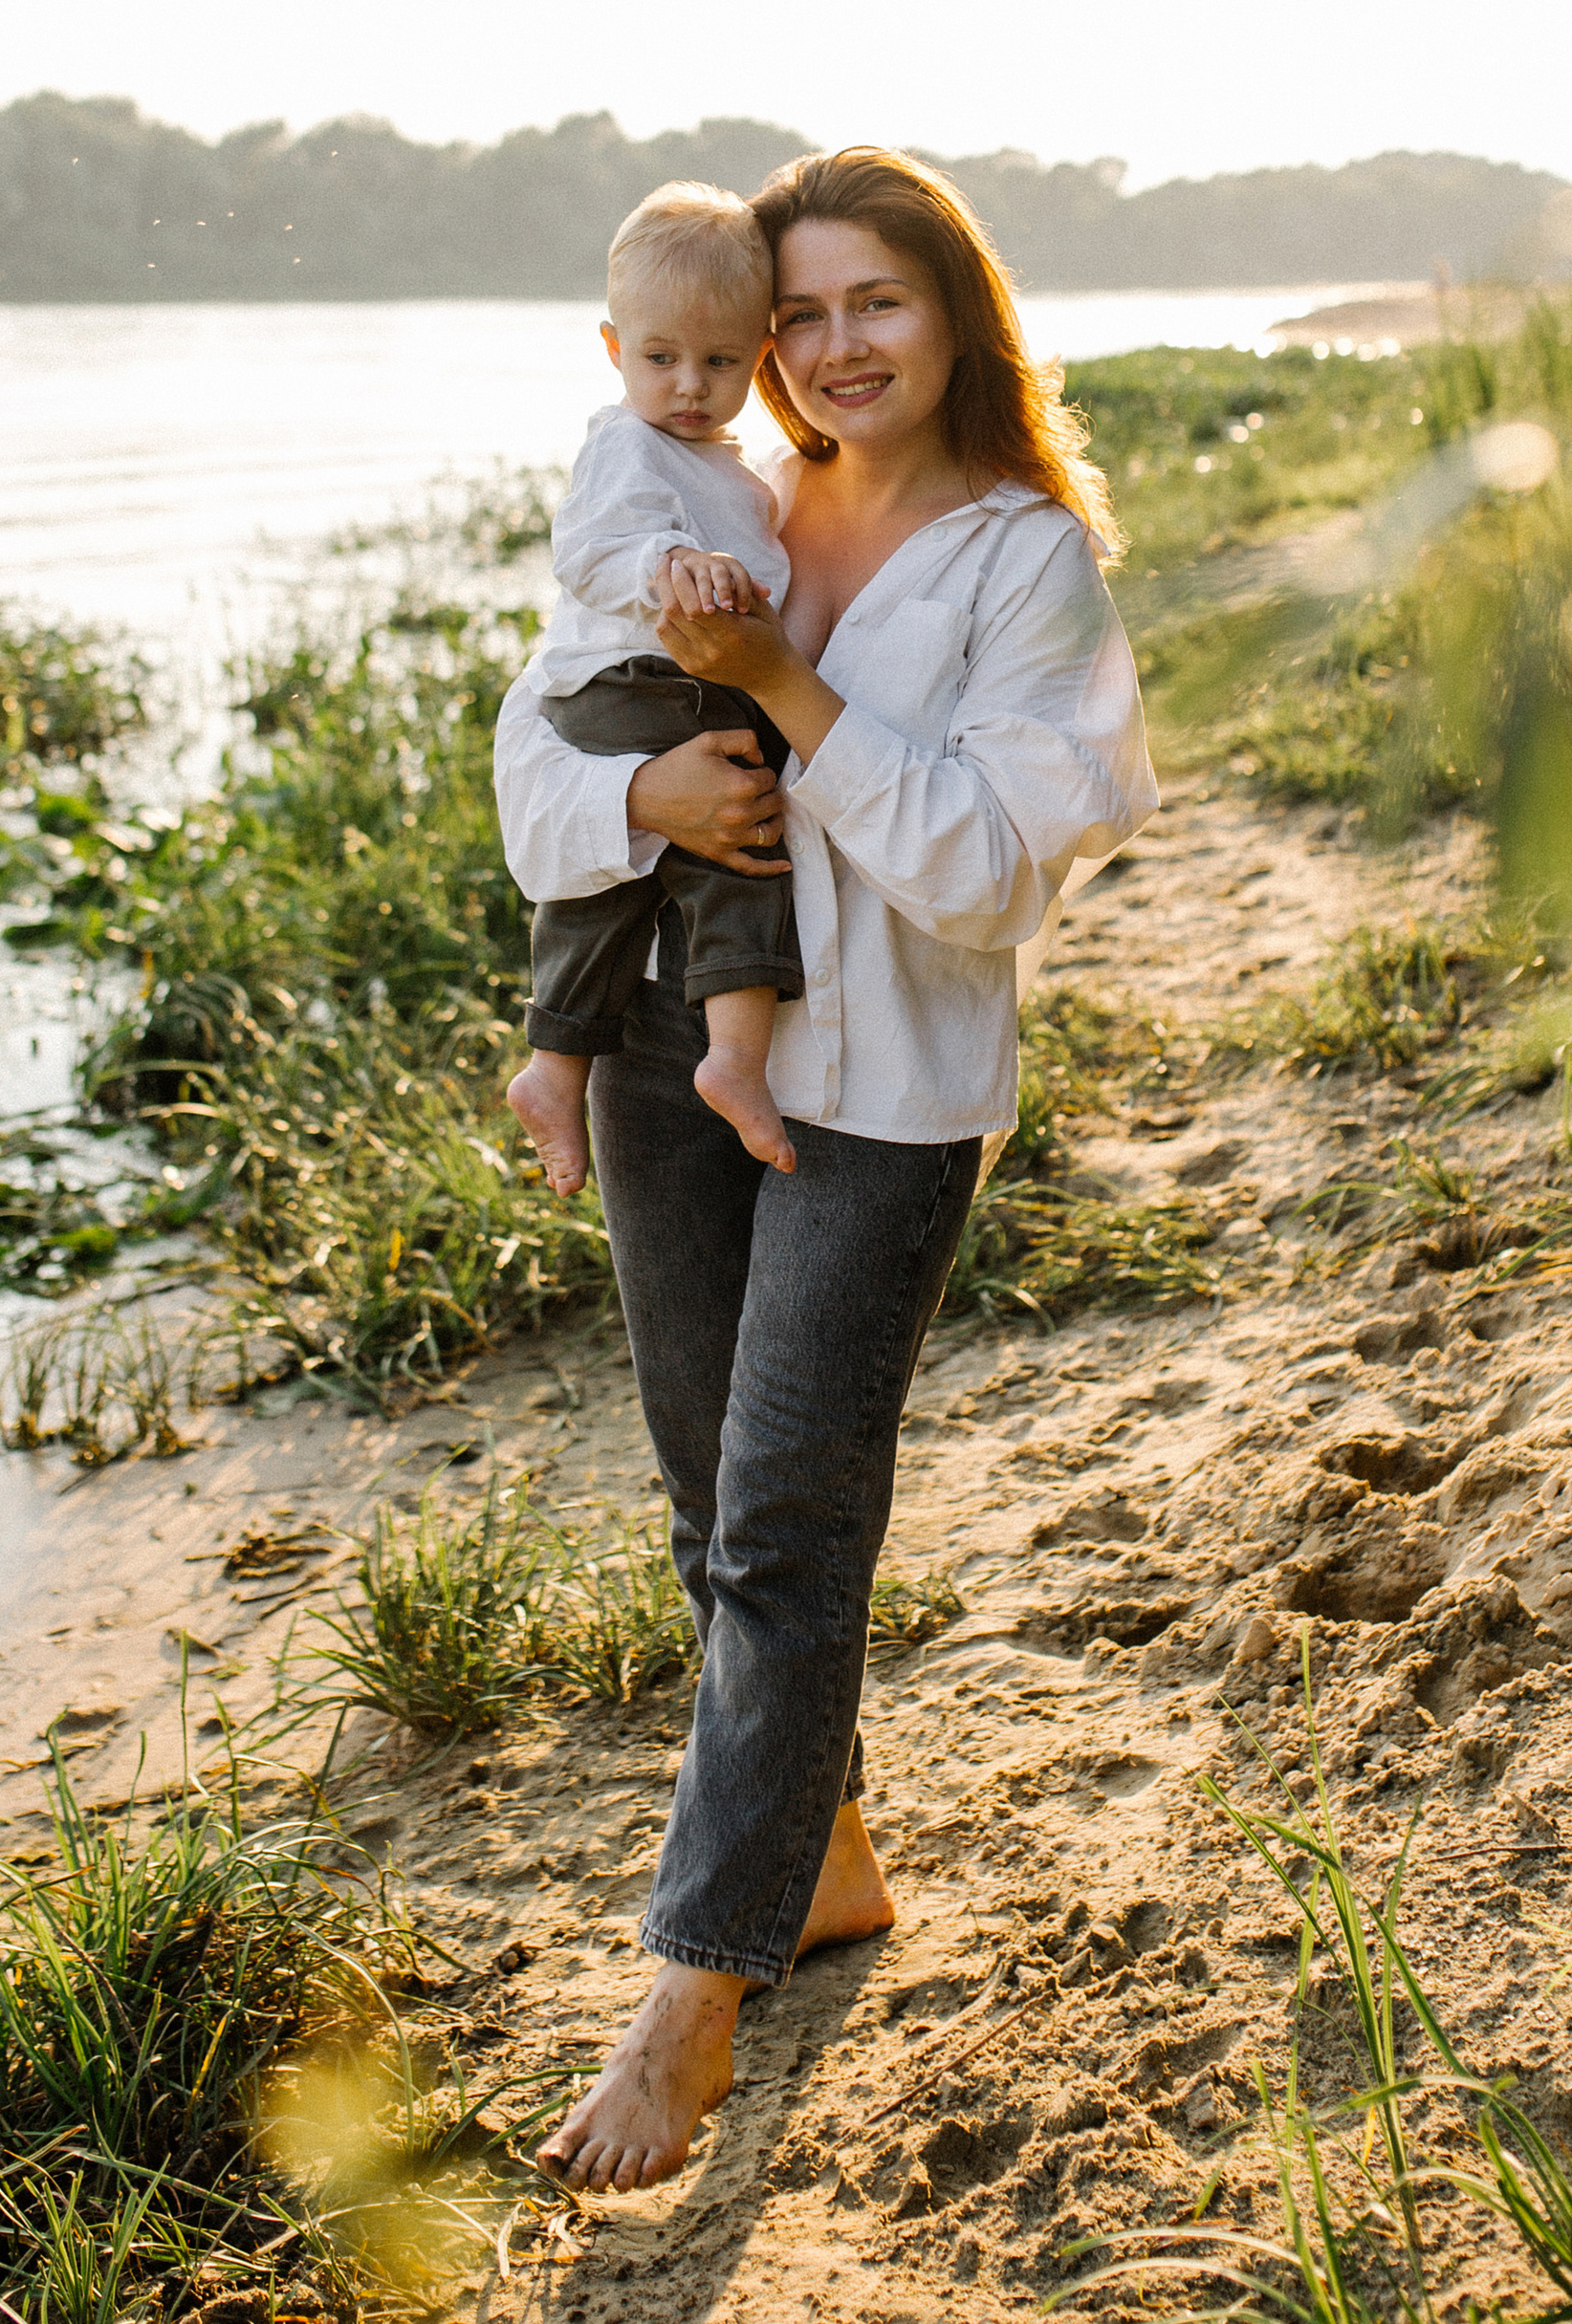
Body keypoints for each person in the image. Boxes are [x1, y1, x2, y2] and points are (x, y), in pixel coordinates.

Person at [492, 143, 1156, 2195]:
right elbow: (536, 775)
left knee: (783, 1524)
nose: (830, 344)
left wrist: (784, 695)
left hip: (885, 1102)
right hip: (663, 1072)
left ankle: (690, 1995)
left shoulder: (1020, 561)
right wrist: (645, 793)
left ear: (956, 313)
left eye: (875, 301)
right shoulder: (731, 508)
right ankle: (830, 1862)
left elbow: (979, 877)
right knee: (714, 1518)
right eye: (800, 312)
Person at [506, 185, 803, 1193]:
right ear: (612, 348)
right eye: (660, 358)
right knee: (742, 850)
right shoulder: (625, 444)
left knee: (609, 896)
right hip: (637, 682)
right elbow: (592, 546)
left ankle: (555, 1065)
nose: (687, 385)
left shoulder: (732, 468)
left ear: (760, 357)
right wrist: (668, 563)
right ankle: (735, 1056)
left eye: (720, 362)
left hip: (654, 690)